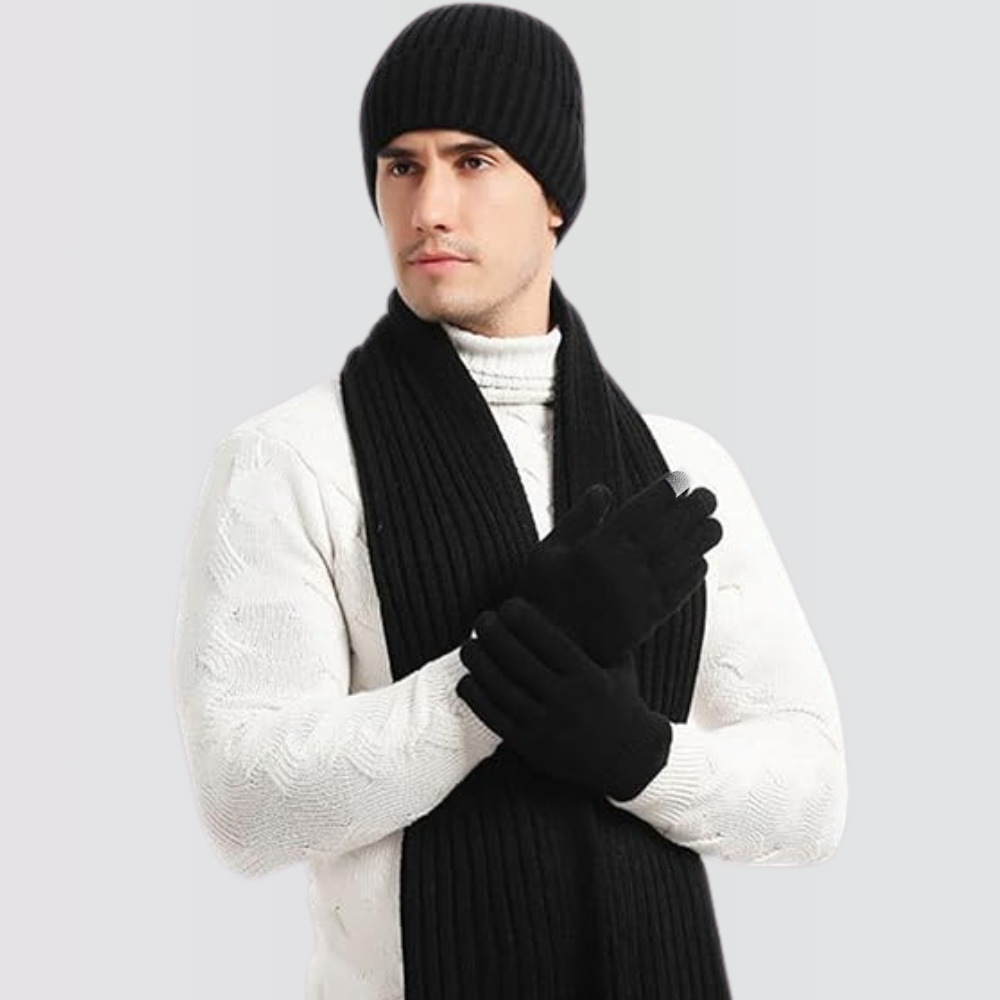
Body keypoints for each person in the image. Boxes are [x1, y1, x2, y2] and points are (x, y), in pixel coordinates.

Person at [172, 5, 849, 999]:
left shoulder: (679, 467)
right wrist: (508, 672)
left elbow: (812, 796)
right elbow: (247, 806)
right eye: (400, 166)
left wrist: (634, 751)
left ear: (555, 198)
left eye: (473, 161)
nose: (428, 208)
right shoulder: (289, 460)